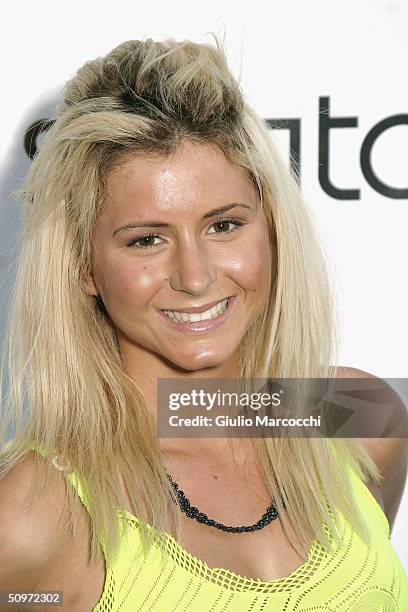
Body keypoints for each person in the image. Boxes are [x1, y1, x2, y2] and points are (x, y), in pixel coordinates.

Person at [0, 34, 407, 611]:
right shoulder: (31, 515)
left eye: (224, 226)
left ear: (270, 228)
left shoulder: (360, 415)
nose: (194, 276)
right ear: (83, 267)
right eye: (146, 239)